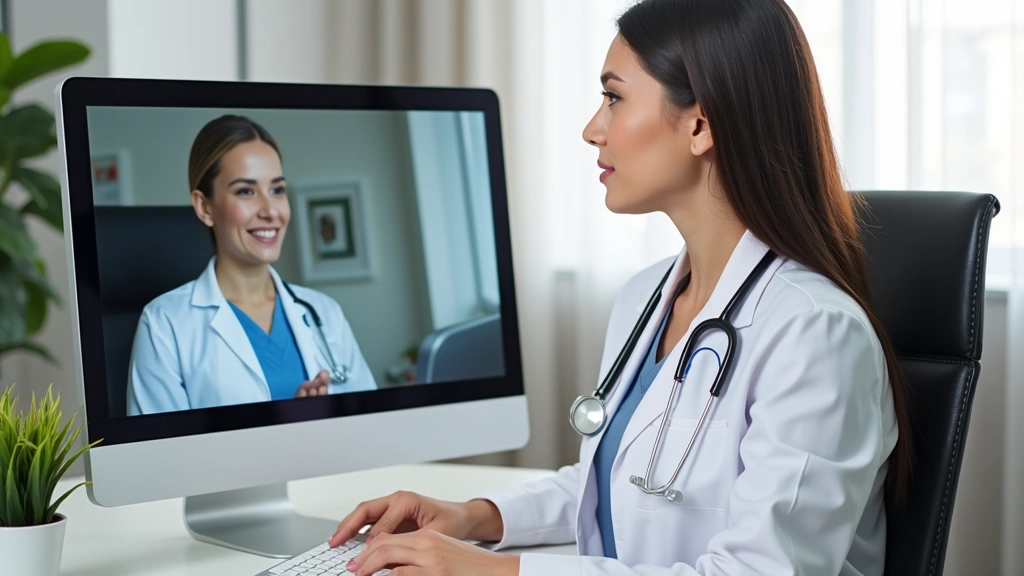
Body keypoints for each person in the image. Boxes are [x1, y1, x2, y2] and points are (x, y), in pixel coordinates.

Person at [325, 0, 913, 575]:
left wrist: (494, 573)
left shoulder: (814, 331)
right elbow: (625, 485)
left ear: (700, 124)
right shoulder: (645, 298)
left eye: (613, 97)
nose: (591, 129)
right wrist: (471, 517)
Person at [126, 115, 377, 416]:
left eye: (277, 190)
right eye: (246, 191)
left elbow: (369, 429)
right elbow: (157, 458)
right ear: (205, 207)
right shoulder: (165, 323)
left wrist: (315, 428)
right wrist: (285, 433)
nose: (270, 210)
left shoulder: (323, 311)